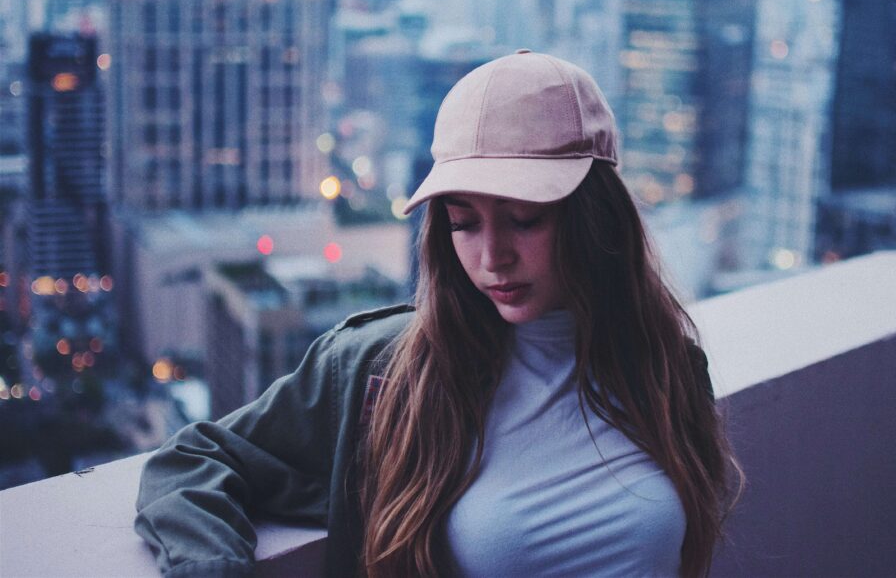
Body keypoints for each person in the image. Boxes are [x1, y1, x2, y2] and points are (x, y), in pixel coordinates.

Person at [135, 50, 740, 578]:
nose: (491, 257)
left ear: (595, 216)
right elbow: (194, 459)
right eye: (463, 222)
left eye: (524, 218)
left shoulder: (668, 366)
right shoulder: (381, 371)